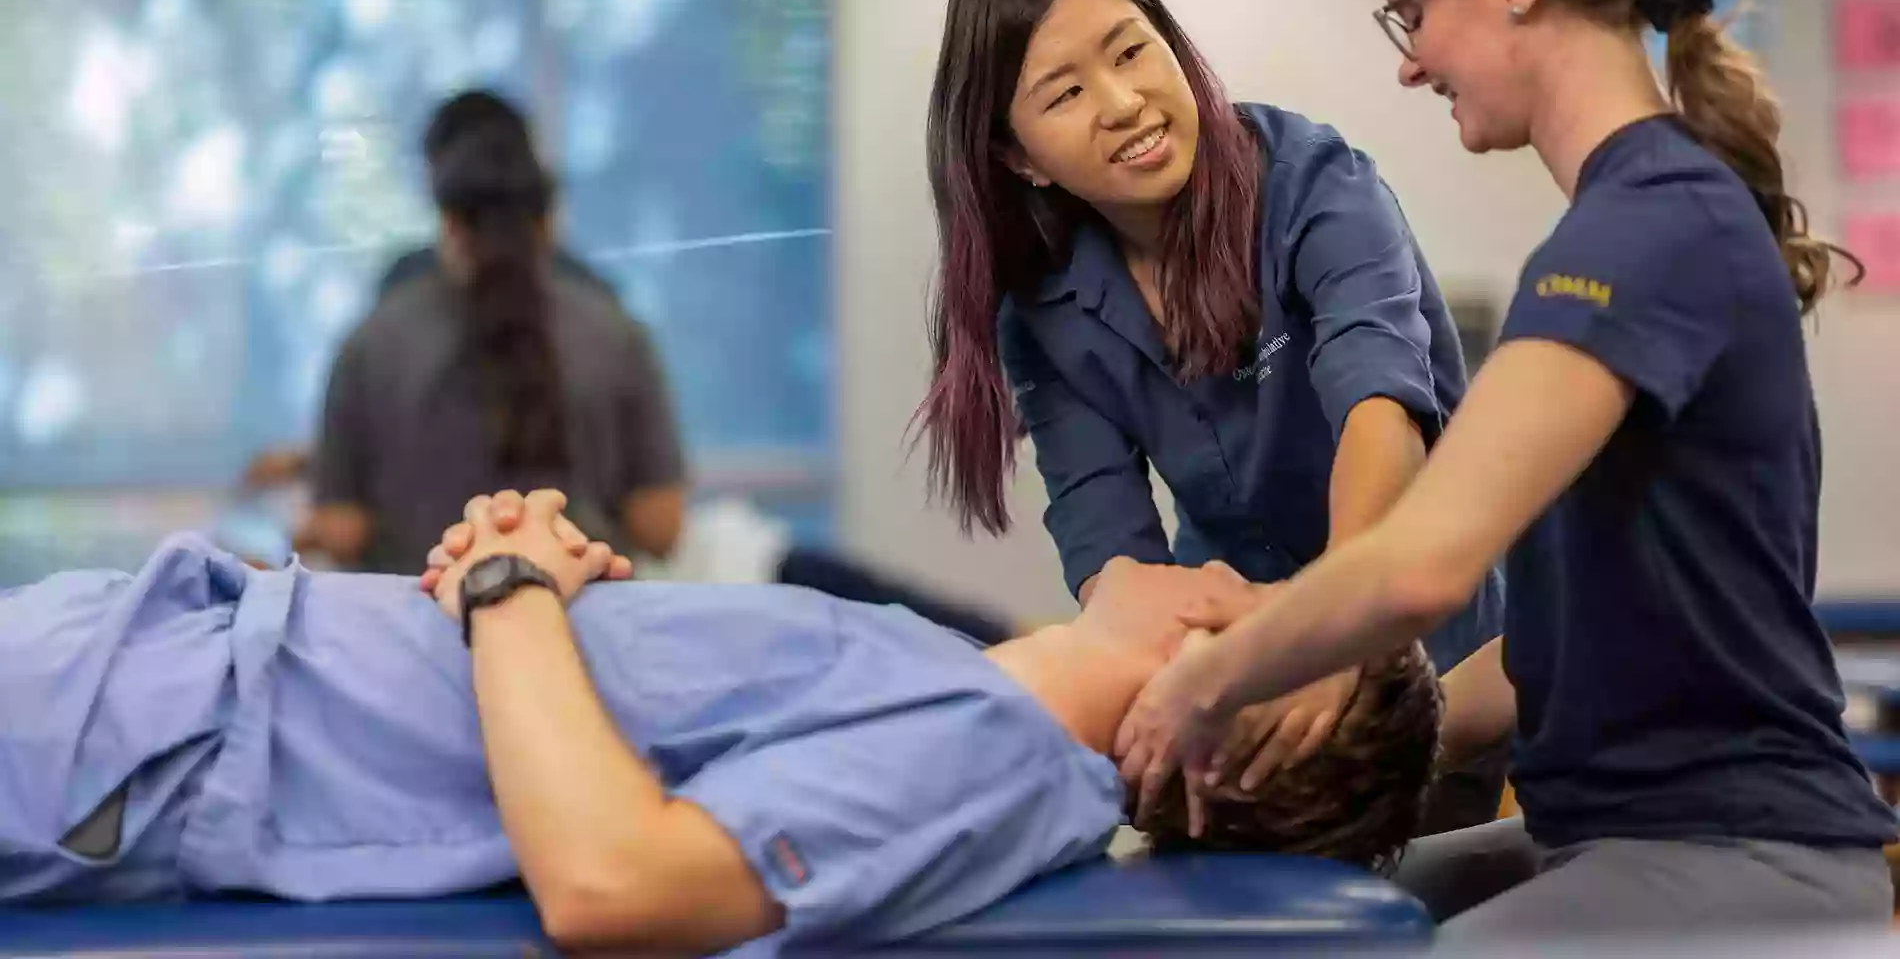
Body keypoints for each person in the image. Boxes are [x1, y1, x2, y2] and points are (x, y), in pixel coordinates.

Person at [1112, 0, 1895, 940]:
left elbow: (1424, 565)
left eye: (1414, 14)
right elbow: (1549, 649)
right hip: (1615, 835)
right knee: (1287, 926)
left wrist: (1202, 690)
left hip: (1737, 850)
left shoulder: (1647, 229)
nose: (1407, 61)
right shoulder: (1628, 225)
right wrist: (1342, 723)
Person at [0, 491, 1440, 957]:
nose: (1217, 574)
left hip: (142, 729)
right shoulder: (959, 685)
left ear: (1221, 723)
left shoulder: (986, 763)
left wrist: (511, 585)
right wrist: (515, 567)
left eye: (1262, 612)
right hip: (165, 662)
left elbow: (615, 885)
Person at [913, 0, 1505, 830]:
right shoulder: (1044, 314)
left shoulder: (1316, 185)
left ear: (1173, 48)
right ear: (1018, 156)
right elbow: (1112, 550)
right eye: (1065, 93)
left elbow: (1378, 418)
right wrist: (1175, 694)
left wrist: (1330, 639)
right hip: (1231, 657)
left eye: (1131, 53)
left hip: (1411, 640)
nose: (1122, 103)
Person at [300, 90, 687, 573]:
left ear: (447, 221)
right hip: (584, 632)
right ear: (547, 221)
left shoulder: (371, 341)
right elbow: (661, 524)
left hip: (421, 631)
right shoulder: (617, 335)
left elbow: (341, 528)